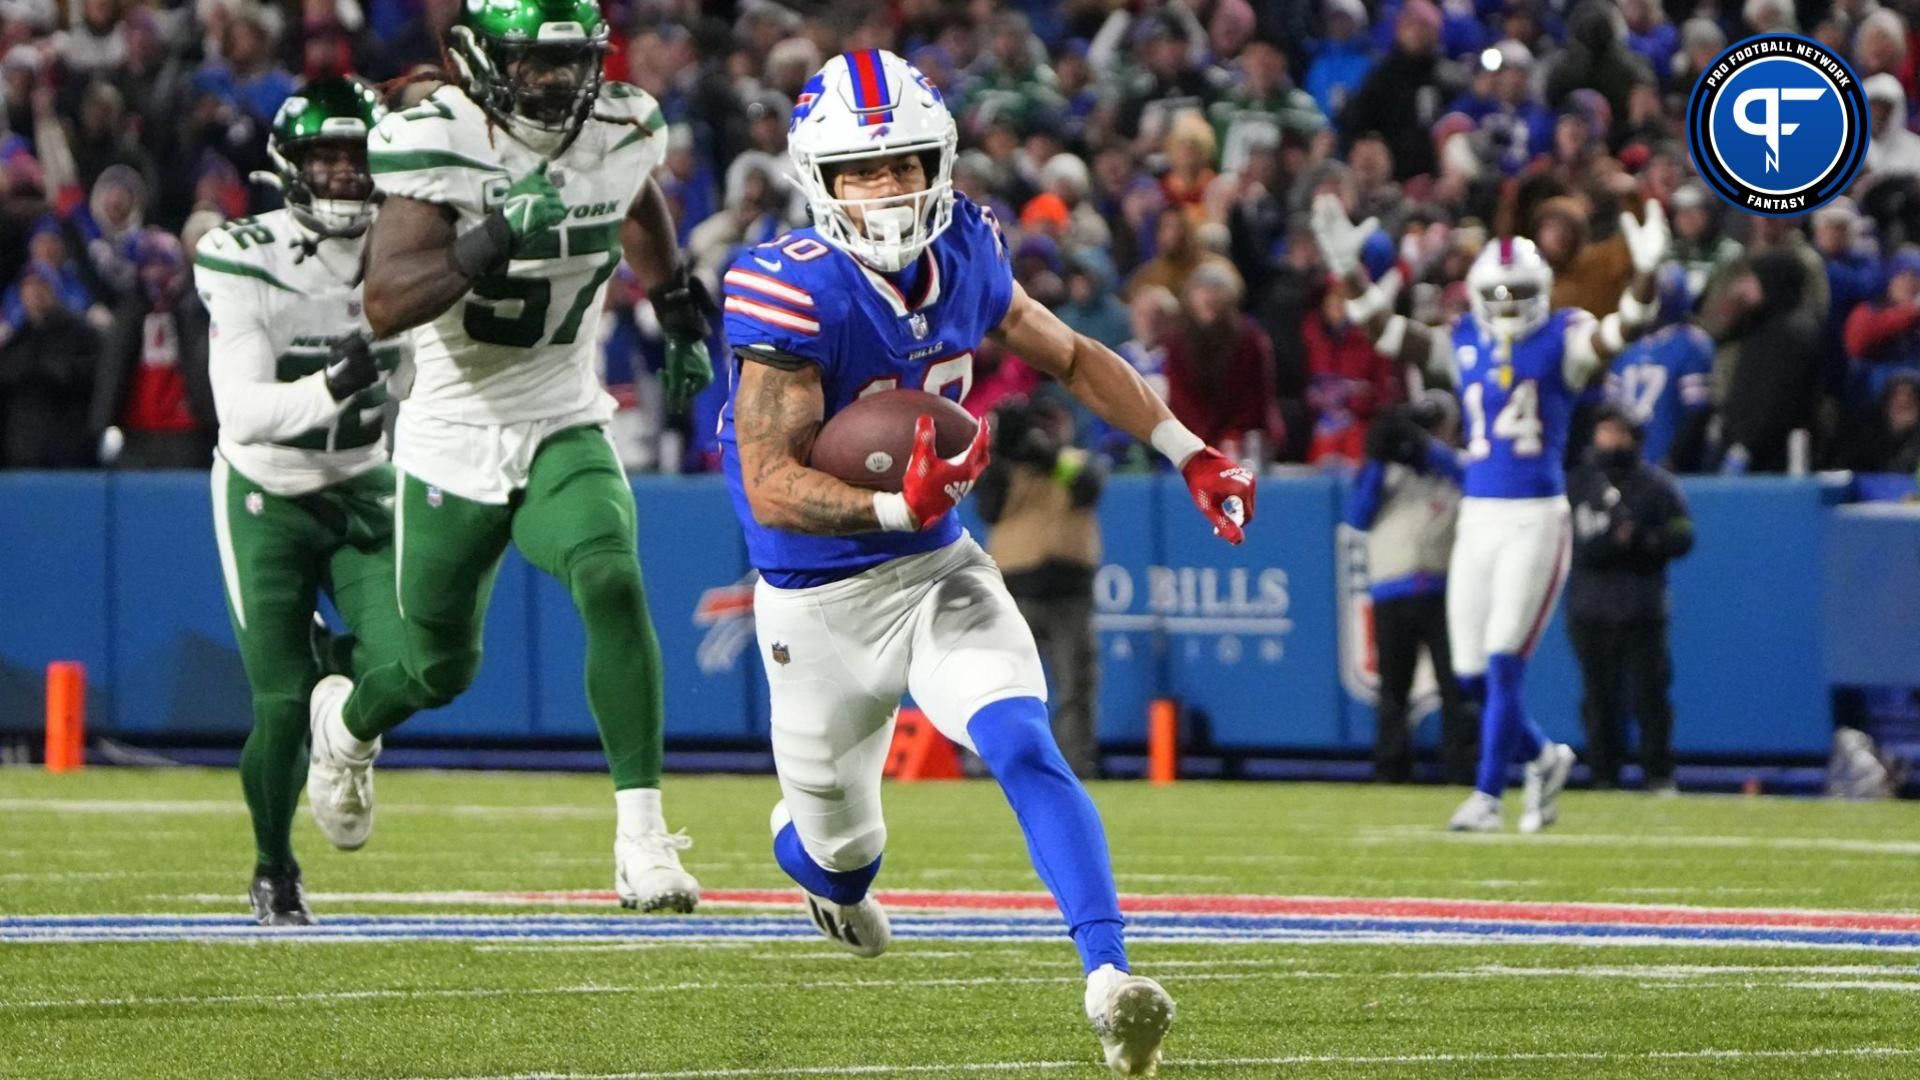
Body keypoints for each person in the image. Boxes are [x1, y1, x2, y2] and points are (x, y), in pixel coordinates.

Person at [719, 50, 1255, 1076]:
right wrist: (889, 497)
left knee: (1021, 741)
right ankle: (820, 867)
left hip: (934, 571)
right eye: (861, 172)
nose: (888, 190)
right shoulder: (789, 289)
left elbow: (1068, 352)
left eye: (906, 163)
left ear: (943, 157)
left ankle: (1109, 978)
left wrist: (1189, 451)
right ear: (817, 178)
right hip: (813, 608)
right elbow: (770, 479)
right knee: (840, 859)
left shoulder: (968, 245)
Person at [305, 0, 713, 913]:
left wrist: (676, 301)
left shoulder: (621, 126)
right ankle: (347, 725)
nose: (558, 81)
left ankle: (642, 838)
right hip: (453, 432)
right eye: (534, 61)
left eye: (571, 61)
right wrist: (490, 237)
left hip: (563, 411)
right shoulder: (436, 139)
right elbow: (385, 301)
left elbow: (634, 194)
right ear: (481, 60)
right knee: (435, 671)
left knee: (610, 577)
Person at [1313, 191, 1670, 832]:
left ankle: (1487, 797)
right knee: (1472, 677)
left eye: (1517, 294)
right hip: (1478, 519)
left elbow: (1626, 328)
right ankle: (1544, 757)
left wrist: (1647, 275)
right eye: (1496, 295)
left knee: (1504, 661)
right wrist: (1348, 270)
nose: (1506, 307)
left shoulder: (1564, 337)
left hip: (1536, 517)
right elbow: (1385, 333)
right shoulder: (1463, 341)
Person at [194, 77, 406, 924]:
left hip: (363, 479)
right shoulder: (244, 252)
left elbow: (427, 382)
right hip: (267, 491)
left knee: (416, 665)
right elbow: (242, 412)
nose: (348, 176)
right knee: (278, 702)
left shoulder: (407, 245)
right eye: (328, 157)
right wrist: (336, 381)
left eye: (359, 158)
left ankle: (340, 712)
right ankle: (274, 865)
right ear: (292, 165)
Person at [1344, 393, 1475, 784]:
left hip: (1444, 588)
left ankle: (1461, 768)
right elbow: (1357, 517)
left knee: (1456, 687)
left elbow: (1466, 478)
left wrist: (1425, 448)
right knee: (1393, 690)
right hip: (1393, 590)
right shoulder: (1389, 473)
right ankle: (1391, 768)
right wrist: (1379, 460)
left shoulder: (1459, 466)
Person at [976, 394, 1107, 780]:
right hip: (1014, 591)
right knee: (1002, 686)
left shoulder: (1075, 462)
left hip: (1069, 592)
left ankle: (1076, 766)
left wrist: (1048, 456)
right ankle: (993, 763)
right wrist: (1004, 453)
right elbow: (988, 509)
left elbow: (1088, 486)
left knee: (1074, 687)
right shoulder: (1003, 471)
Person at [1565, 405, 1693, 792]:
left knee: (1649, 697)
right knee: (1599, 698)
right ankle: (1604, 773)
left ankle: (1658, 772)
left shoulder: (1658, 486)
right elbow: (1569, 541)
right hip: (1591, 608)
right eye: (1607, 431)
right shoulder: (1579, 484)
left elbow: (1683, 535)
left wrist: (1643, 540)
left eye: (1621, 433)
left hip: (1642, 608)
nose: (1613, 440)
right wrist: (1607, 544)